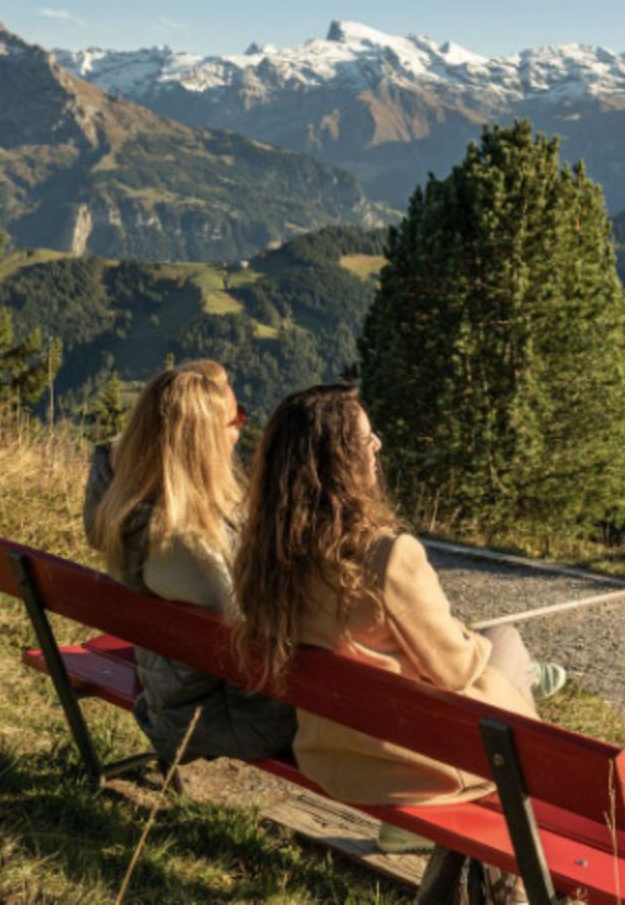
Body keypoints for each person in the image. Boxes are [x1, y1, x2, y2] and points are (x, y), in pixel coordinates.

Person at [231, 383, 564, 865]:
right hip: (414, 767)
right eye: (367, 441)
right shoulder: (386, 556)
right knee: (504, 644)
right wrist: (460, 632)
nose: (378, 447)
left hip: (332, 754)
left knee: (498, 645)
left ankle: (530, 678)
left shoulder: (270, 554)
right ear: (342, 462)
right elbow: (456, 671)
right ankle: (513, 850)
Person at [83, 360, 296, 763]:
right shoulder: (188, 550)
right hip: (216, 717)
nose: (242, 429)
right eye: (237, 419)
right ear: (204, 442)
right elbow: (251, 645)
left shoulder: (122, 506)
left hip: (173, 689)